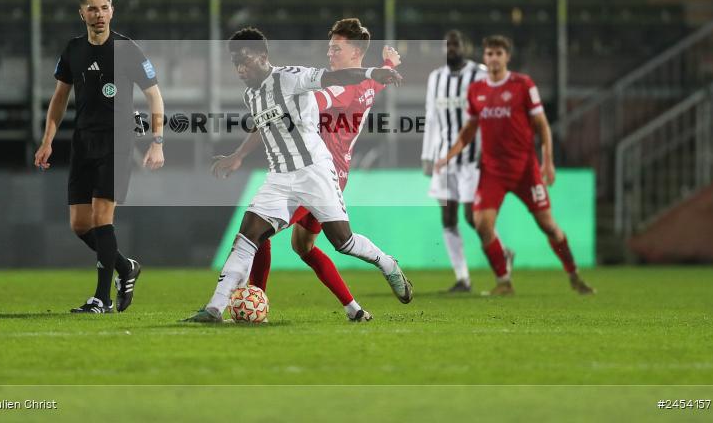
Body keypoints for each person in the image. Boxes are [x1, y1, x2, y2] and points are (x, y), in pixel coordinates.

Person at [182, 26, 413, 323]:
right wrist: (387, 66)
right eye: (329, 47)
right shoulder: (253, 93)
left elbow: (335, 84)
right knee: (263, 238)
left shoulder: (315, 84)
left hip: (319, 172)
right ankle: (215, 308)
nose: (329, 53)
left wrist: (374, 71)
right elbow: (271, 119)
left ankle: (385, 264)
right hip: (281, 176)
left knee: (341, 241)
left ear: (356, 52)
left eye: (336, 49)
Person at [34, 0, 165, 314]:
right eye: (92, 9)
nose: (99, 14)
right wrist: (48, 140)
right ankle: (125, 267)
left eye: (104, 7)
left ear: (112, 10)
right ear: (82, 14)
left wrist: (157, 141)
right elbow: (59, 98)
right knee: (80, 224)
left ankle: (102, 299)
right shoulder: (73, 50)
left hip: (117, 142)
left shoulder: (127, 49)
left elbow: (154, 95)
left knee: (102, 217)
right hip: (83, 141)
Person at [435, 35, 594, 296]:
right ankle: (504, 282)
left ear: (507, 56)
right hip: (492, 170)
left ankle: (574, 273)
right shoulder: (476, 91)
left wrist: (548, 162)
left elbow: (542, 126)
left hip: (524, 169)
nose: (494, 58)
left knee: (548, 225)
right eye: (489, 54)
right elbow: (468, 130)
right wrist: (448, 156)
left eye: (499, 53)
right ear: (484, 58)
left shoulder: (522, 84)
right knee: (482, 224)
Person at [421, 30, 492, 293]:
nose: (451, 48)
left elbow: (490, 114)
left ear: (465, 46)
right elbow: (430, 117)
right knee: (448, 218)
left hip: (474, 158)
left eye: (456, 44)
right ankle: (463, 278)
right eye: (447, 45)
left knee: (473, 218)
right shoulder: (435, 78)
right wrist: (427, 156)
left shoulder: (480, 74)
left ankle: (500, 253)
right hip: (443, 159)